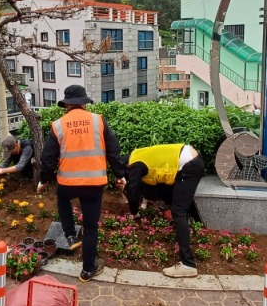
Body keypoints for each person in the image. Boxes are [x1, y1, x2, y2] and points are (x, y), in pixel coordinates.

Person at [37, 85, 126, 283]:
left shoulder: (58, 125)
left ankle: (70, 235)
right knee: (91, 226)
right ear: (84, 103)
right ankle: (87, 270)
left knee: (62, 197)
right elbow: (113, 151)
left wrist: (43, 180)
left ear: (66, 104)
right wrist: (120, 175)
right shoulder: (98, 121)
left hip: (68, 183)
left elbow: (48, 159)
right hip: (94, 184)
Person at [121, 143, 205, 278]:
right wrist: (144, 204)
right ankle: (186, 238)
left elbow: (133, 190)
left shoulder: (135, 165)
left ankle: (188, 264)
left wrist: (134, 212)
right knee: (178, 207)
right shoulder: (138, 154)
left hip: (189, 165)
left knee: (178, 211)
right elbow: (149, 183)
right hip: (189, 160)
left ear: (126, 167)